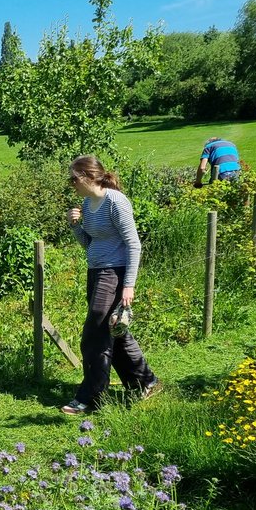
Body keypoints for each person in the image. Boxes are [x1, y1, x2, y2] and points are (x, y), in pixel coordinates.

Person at [62, 154, 160, 416]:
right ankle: (145, 381)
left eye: (74, 179)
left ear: (87, 177)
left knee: (93, 335)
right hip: (95, 272)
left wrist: (129, 285)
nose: (71, 184)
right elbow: (90, 244)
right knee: (114, 330)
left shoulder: (116, 201)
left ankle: (91, 396)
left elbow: (134, 244)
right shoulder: (87, 203)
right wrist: (75, 226)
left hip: (114, 273)